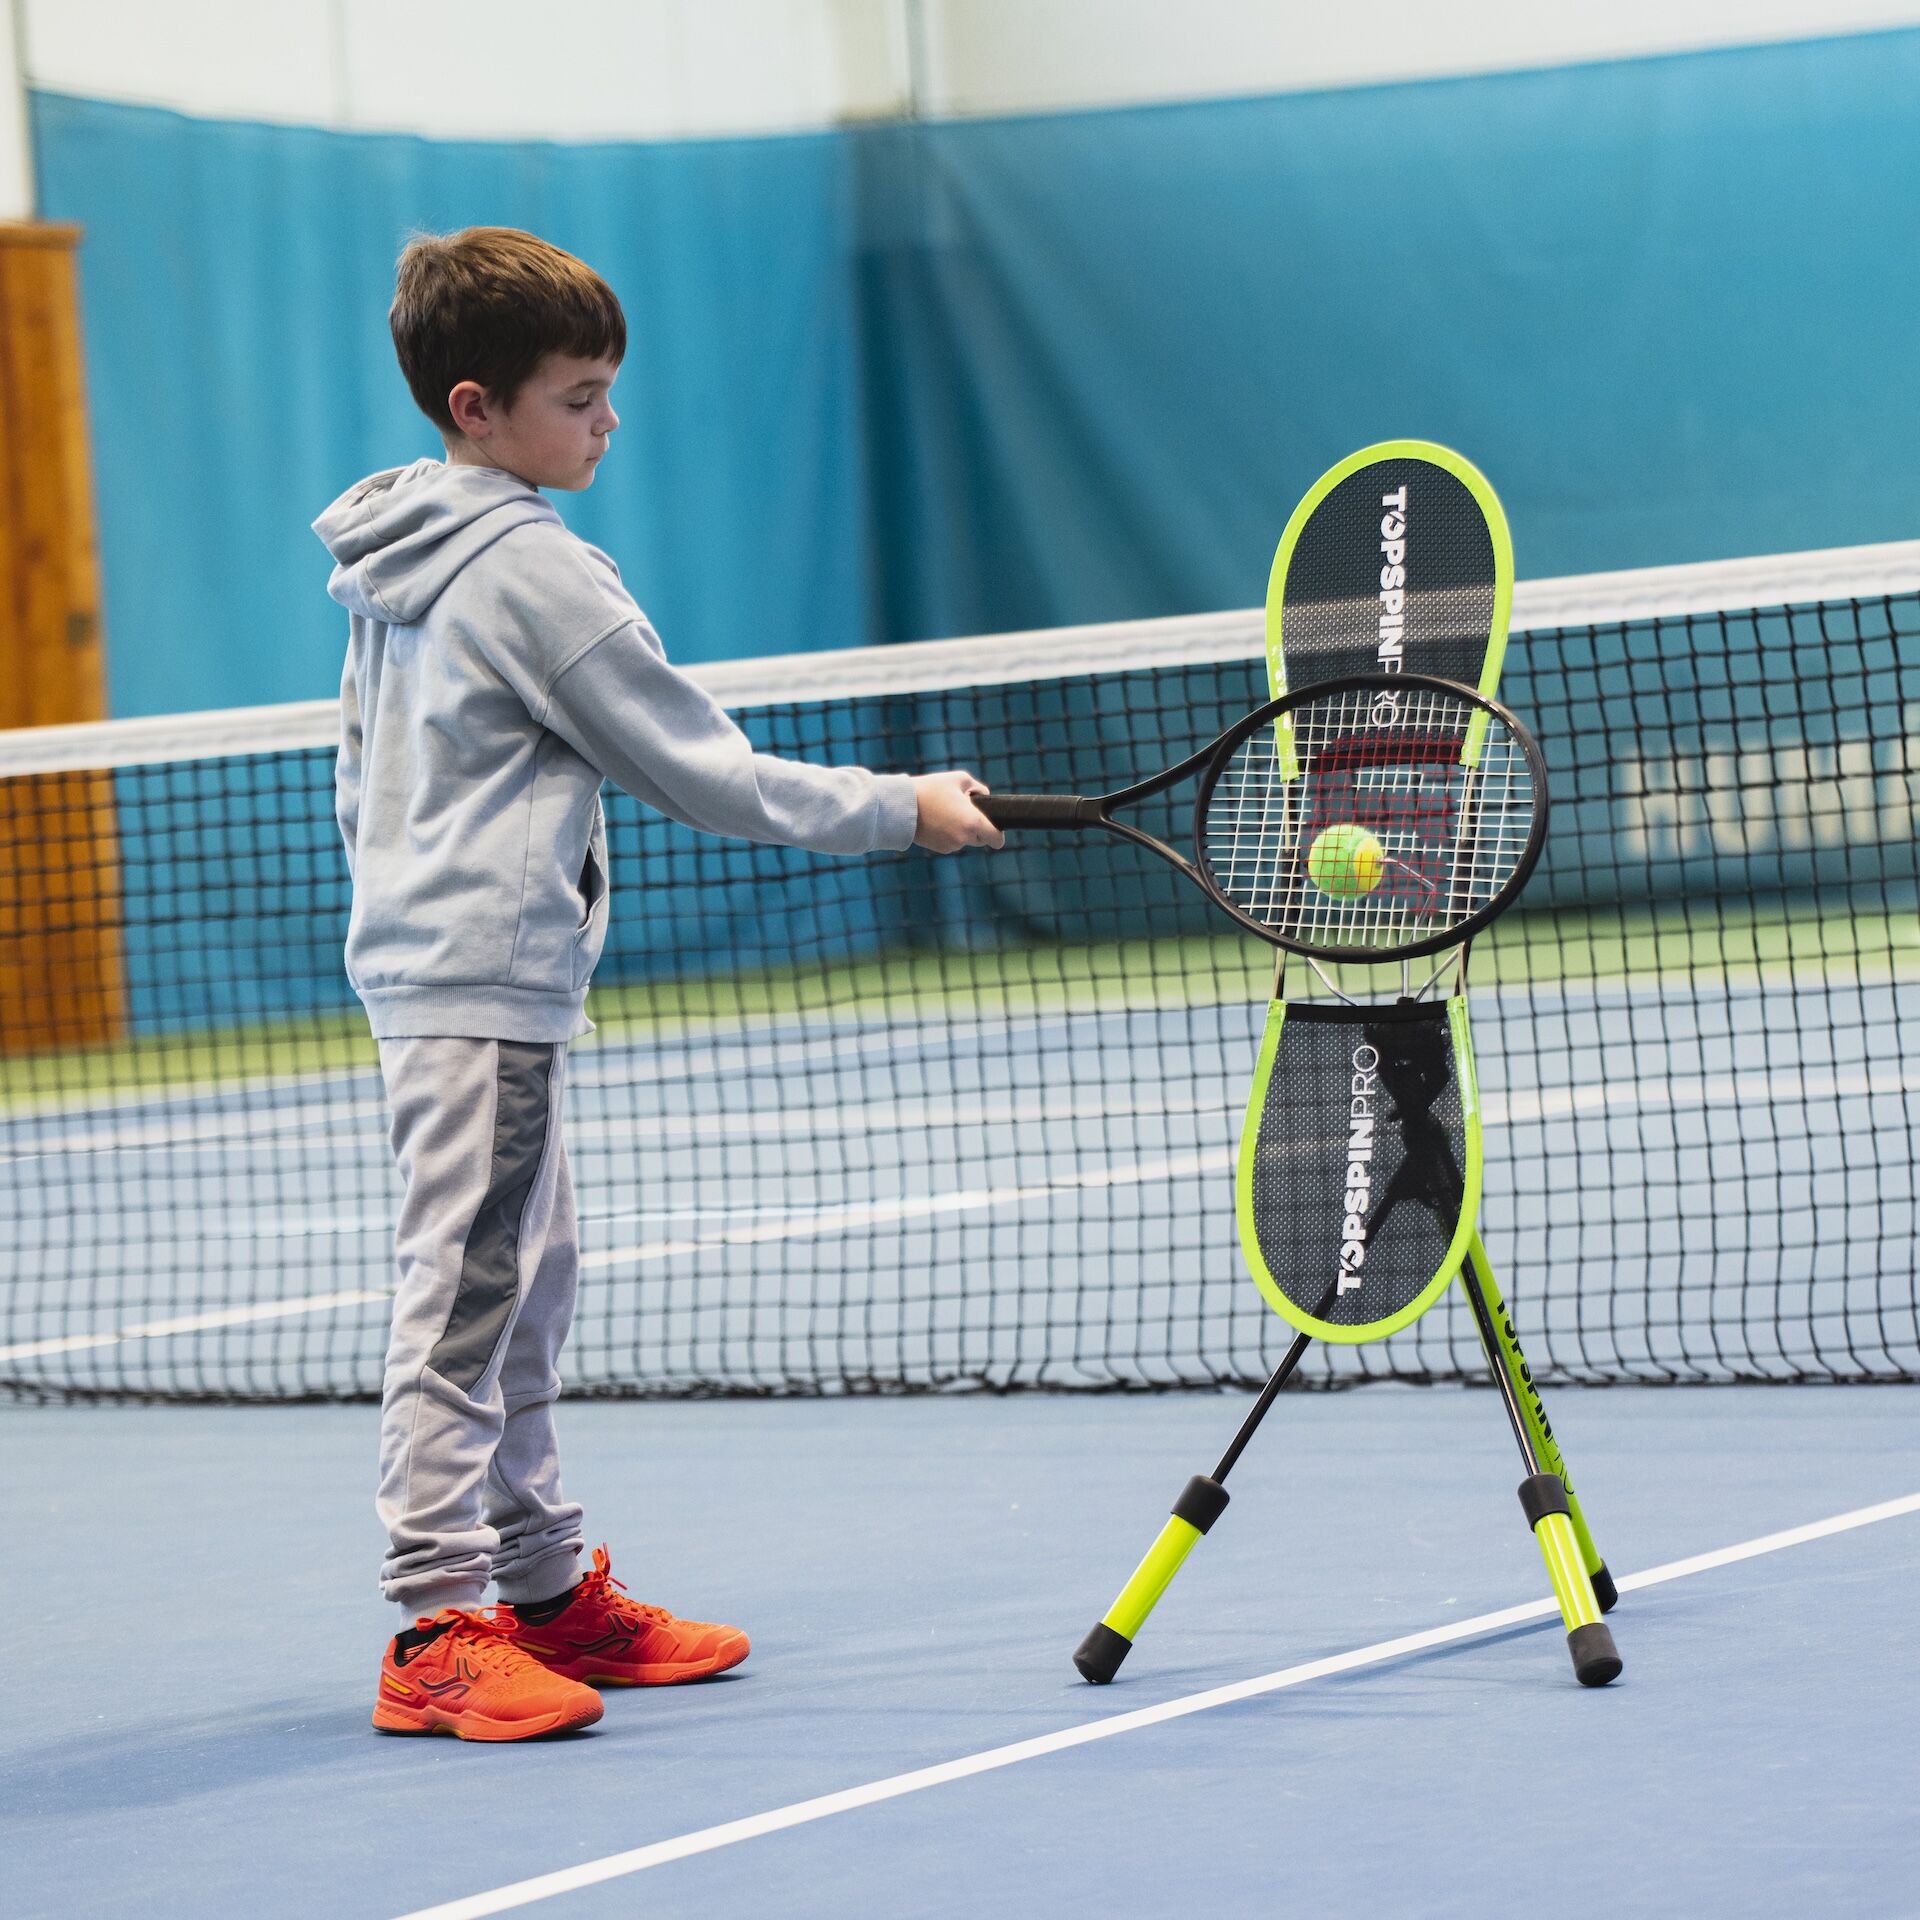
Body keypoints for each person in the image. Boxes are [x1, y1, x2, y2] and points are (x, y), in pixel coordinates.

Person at [313, 226, 1002, 1742]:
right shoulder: (530, 569)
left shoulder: (398, 545)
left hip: (455, 974)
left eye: (612, 390)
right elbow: (704, 769)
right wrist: (903, 806)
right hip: (476, 984)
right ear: (478, 405)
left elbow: (361, 772)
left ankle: (547, 1591)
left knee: (525, 1290)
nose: (609, 422)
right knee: (469, 1302)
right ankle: (437, 1627)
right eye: (580, 396)